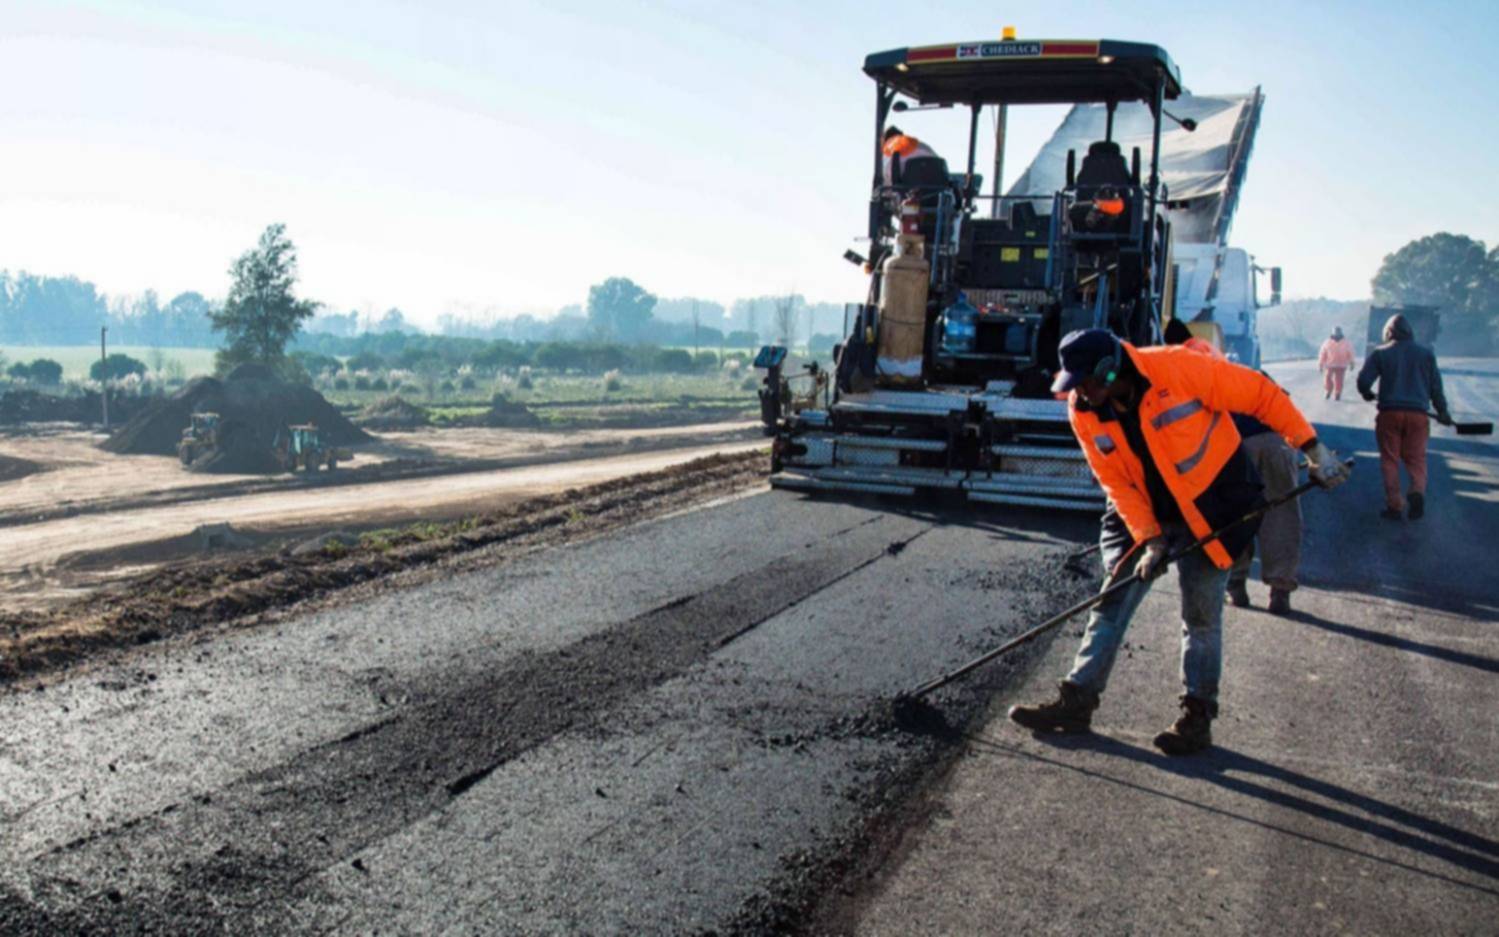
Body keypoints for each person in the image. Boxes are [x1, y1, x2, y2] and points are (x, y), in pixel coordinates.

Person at [1009, 329, 1348, 755]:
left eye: (1086, 383)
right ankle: (1077, 700)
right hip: (1146, 508)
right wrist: (1150, 540)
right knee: (1113, 600)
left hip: (1213, 501)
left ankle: (1196, 717)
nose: (1081, 394)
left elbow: (1261, 394)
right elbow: (1115, 482)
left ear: (1110, 370)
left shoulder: (1178, 367)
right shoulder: (1083, 410)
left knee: (1201, 613)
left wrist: (1313, 449)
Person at [1162, 320, 1303, 614]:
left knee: (1236, 514)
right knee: (1282, 513)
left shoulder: (1183, 367)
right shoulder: (1234, 364)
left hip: (1239, 445)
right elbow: (1281, 401)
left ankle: (1236, 586)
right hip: (1278, 440)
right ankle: (1280, 591)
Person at [1357, 312, 1452, 520]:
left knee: (1390, 460)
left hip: (1389, 414)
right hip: (1418, 416)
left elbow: (1363, 381)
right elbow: (1436, 387)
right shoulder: (1426, 354)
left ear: (1389, 333)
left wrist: (1367, 393)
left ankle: (1395, 505)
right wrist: (1442, 411)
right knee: (1416, 458)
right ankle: (1417, 490)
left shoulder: (1380, 353)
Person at [1318, 327, 1357, 400]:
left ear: (1341, 333)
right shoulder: (1327, 342)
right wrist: (1320, 364)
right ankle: (1328, 390)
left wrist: (1352, 363)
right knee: (1327, 377)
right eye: (1335, 332)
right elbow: (1323, 353)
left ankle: (1338, 393)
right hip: (1330, 364)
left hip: (1341, 365)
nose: (1337, 334)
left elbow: (1351, 353)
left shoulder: (1346, 342)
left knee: (1339, 380)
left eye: (1338, 332)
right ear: (1333, 333)